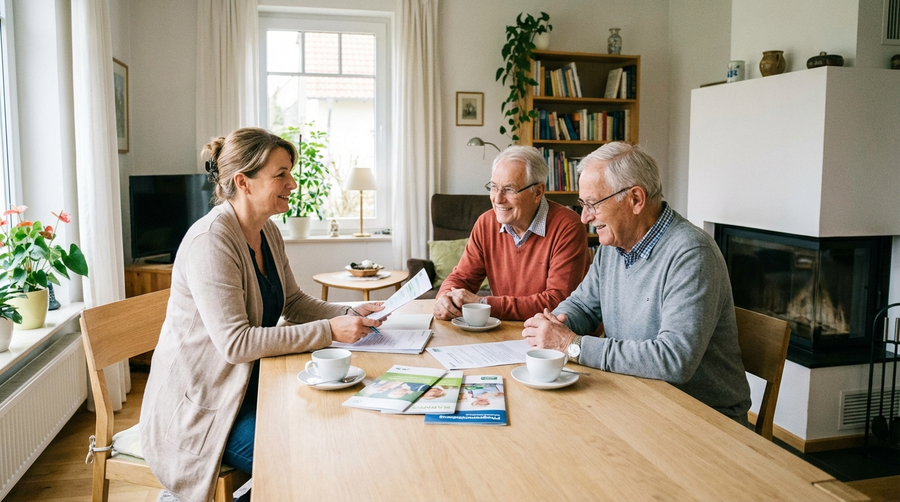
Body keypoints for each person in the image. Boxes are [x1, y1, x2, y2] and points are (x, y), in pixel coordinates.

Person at [140, 127, 384, 502]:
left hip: (249, 385)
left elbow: (295, 302)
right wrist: (330, 330)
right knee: (307, 461)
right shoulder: (211, 242)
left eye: (290, 171)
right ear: (244, 182)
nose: (293, 182)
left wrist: (349, 311)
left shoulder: (267, 231)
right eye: (281, 174)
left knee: (333, 433)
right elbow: (236, 344)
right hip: (205, 409)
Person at [522, 142, 751, 421]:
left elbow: (673, 359)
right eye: (583, 205)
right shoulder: (612, 247)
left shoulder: (691, 254)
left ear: (635, 199)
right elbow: (583, 305)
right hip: (636, 396)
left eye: (593, 204)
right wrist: (557, 325)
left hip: (701, 416)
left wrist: (573, 345)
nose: (585, 217)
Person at [433, 146, 591, 321]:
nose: (498, 199)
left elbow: (557, 302)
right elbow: (462, 277)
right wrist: (445, 298)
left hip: (555, 334)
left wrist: (484, 303)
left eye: (509, 189)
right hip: (505, 330)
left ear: (538, 192)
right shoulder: (486, 223)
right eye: (493, 187)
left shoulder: (568, 227)